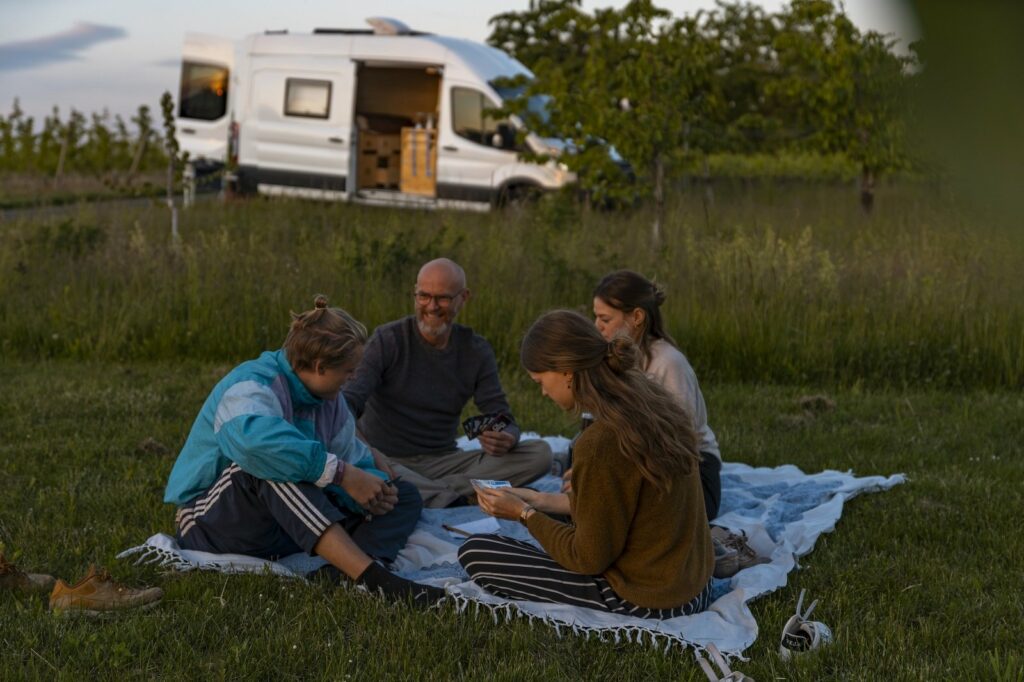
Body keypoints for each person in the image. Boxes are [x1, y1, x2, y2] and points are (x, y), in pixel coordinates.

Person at [164, 295, 444, 605]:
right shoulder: (251, 385)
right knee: (268, 465)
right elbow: (256, 445)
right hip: (214, 525)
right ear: (321, 367)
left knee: (402, 493)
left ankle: (346, 567)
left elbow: (352, 455)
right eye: (349, 370)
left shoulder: (330, 402)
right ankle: (375, 579)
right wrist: (342, 475)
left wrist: (374, 491)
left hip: (285, 525)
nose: (353, 378)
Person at [457, 310, 714, 618]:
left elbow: (588, 558)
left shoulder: (599, 442)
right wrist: (540, 500)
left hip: (652, 599)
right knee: (558, 522)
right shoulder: (650, 398)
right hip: (694, 583)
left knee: (476, 552)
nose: (542, 392)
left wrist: (525, 514)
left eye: (541, 380)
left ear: (566, 371)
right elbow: (619, 505)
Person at [343, 258, 552, 508]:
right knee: (362, 459)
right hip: (388, 458)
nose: (431, 307)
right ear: (414, 294)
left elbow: (501, 417)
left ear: (463, 298)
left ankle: (434, 494)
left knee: (541, 454)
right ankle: (459, 495)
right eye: (423, 296)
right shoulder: (388, 340)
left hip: (446, 460)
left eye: (442, 298)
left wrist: (507, 436)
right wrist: (368, 453)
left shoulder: (476, 350)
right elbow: (348, 403)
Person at [590, 270, 722, 521]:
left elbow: (681, 441)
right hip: (639, 462)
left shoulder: (668, 363)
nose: (597, 326)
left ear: (637, 317)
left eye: (605, 319)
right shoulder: (613, 359)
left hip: (689, 472)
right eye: (596, 317)